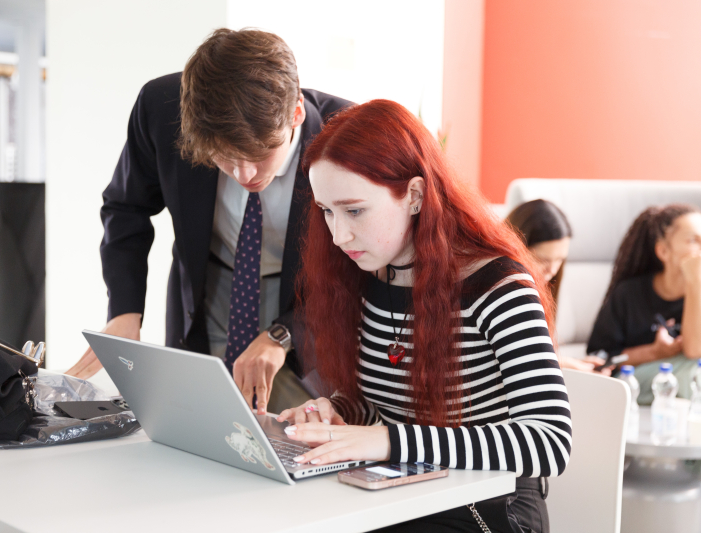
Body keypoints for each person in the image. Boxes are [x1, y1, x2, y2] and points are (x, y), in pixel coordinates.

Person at [277, 100, 570, 532]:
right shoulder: (369, 273)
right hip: (404, 493)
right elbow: (387, 402)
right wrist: (338, 412)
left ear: (414, 195)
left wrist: (387, 441)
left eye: (354, 210)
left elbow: (549, 443)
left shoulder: (497, 286)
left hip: (487, 508)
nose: (338, 235)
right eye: (326, 211)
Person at [65, 29, 352, 414]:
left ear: (296, 112)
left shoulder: (348, 134)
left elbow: (356, 268)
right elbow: (126, 206)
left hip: (309, 300)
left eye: (261, 153)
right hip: (208, 293)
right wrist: (124, 312)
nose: (244, 173)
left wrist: (284, 333)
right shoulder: (161, 109)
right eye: (224, 158)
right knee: (196, 424)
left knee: (294, 435)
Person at [587, 204, 701, 403]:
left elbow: (693, 349)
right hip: (635, 382)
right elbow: (600, 358)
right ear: (664, 251)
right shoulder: (628, 294)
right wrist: (654, 352)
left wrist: (694, 283)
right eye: (693, 240)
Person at [506, 199, 609, 374]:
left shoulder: (543, 285)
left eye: (560, 259)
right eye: (542, 260)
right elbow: (517, 357)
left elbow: (534, 351)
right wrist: (569, 366)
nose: (552, 270)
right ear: (515, 249)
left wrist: (573, 365)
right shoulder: (504, 290)